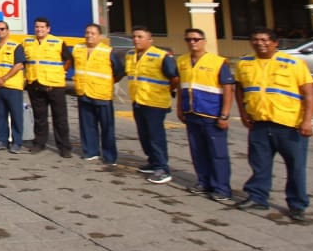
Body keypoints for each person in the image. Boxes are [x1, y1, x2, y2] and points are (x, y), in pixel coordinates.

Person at [233, 28, 313, 221]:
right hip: (260, 124)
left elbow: (309, 93)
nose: (260, 43)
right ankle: (257, 197)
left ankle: (297, 205)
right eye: (255, 39)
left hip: (289, 125)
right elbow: (240, 88)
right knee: (259, 164)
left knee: (295, 167)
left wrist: (308, 120)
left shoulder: (293, 63)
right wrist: (244, 113)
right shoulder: (244, 63)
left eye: (264, 39)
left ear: (275, 43)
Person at [176, 27, 235, 203]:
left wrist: (224, 115)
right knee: (198, 151)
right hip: (192, 113)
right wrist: (180, 108)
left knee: (218, 153)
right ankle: (204, 182)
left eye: (196, 39)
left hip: (212, 114)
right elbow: (182, 87)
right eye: (189, 39)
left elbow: (228, 89)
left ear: (204, 41)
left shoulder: (218, 62)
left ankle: (222, 188)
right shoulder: (182, 61)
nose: (192, 42)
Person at [125, 25, 179, 184]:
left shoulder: (161, 56)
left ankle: (162, 168)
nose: (136, 40)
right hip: (138, 100)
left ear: (150, 39)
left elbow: (174, 78)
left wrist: (167, 90)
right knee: (144, 135)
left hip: (155, 103)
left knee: (156, 137)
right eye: (134, 37)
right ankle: (153, 162)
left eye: (140, 37)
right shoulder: (130, 55)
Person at [70, 23, 122, 165]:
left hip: (102, 95)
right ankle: (90, 151)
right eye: (87, 32)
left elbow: (119, 72)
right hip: (84, 92)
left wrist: (107, 83)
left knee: (107, 127)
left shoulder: (109, 52)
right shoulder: (78, 49)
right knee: (87, 125)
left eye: (93, 33)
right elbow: (76, 66)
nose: (89, 36)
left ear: (99, 36)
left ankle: (109, 156)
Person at [24, 17, 72, 157]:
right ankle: (39, 143)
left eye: (42, 27)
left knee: (60, 118)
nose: (39, 29)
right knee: (39, 117)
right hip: (35, 84)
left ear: (48, 28)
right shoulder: (28, 42)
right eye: (37, 27)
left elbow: (68, 59)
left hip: (54, 85)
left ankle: (64, 147)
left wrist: (62, 72)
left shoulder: (57, 42)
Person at [0, 22, 26, 154]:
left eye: (2, 29)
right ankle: (2, 140)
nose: (0, 31)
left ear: (8, 30)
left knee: (16, 115)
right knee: (0, 115)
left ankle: (17, 142)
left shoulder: (16, 46)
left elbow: (19, 65)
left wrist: (4, 78)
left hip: (12, 86)